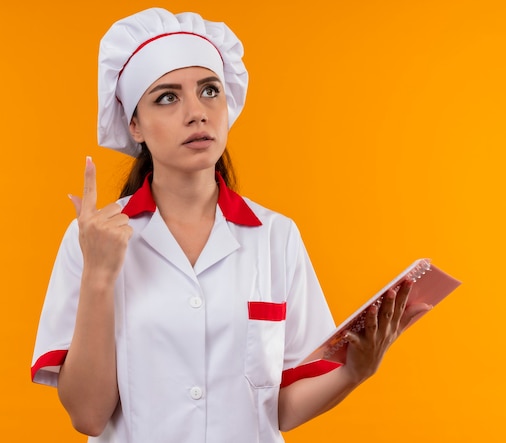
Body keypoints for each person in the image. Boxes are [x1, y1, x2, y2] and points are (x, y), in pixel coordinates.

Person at [31, 7, 421, 443]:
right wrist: (100, 277)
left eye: (209, 91)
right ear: (134, 124)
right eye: (167, 97)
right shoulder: (92, 239)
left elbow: (282, 408)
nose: (197, 113)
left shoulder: (276, 237)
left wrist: (355, 371)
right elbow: (88, 415)